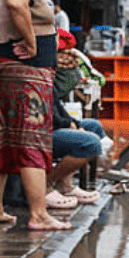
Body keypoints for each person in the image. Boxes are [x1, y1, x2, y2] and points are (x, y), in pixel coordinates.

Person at [0, 0, 70, 230]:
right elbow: (16, 3)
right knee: (32, 139)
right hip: (27, 73)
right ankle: (39, 214)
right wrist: (29, 40)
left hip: (3, 66)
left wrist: (3, 30)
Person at [46, 30, 102, 208]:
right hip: (43, 132)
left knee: (94, 127)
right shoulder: (38, 70)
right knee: (90, 143)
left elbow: (56, 105)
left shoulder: (50, 71)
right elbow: (46, 113)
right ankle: (46, 184)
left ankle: (65, 185)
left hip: (55, 124)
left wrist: (74, 124)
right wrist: (69, 125)